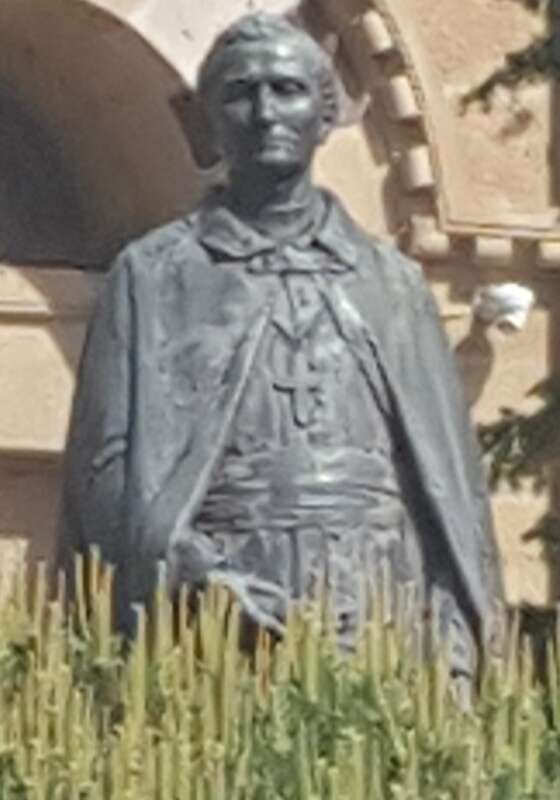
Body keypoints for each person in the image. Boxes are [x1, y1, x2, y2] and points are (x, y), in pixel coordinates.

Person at [57, 12, 503, 685]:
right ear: (202, 122)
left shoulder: (391, 284)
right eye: (240, 92)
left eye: (288, 90)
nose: (266, 112)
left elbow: (447, 488)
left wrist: (454, 642)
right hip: (220, 614)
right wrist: (197, 578)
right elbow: (107, 473)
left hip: (381, 605)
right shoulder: (152, 275)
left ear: (326, 114)